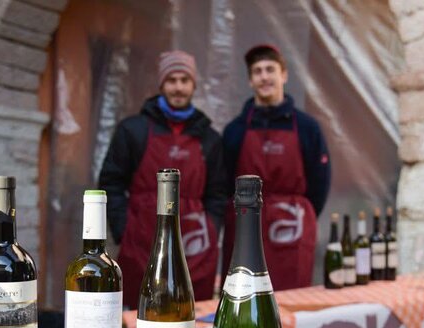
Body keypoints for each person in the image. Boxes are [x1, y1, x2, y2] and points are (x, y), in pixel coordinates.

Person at [98, 50, 228, 307]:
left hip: (195, 245)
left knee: (189, 313)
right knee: (143, 313)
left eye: (184, 80)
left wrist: (212, 229)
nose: (178, 87)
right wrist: (124, 230)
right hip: (142, 243)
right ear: (161, 84)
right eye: (171, 80)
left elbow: (218, 193)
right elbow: (111, 183)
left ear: (193, 85)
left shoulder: (210, 138)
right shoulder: (133, 130)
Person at [222, 44, 332, 291]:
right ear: (250, 80)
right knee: (245, 297)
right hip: (245, 229)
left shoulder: (307, 128)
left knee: (290, 299)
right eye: (257, 71)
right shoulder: (235, 130)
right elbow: (225, 182)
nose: (264, 77)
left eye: (270, 69)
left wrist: (297, 213)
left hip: (292, 230)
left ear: (284, 75)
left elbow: (320, 182)